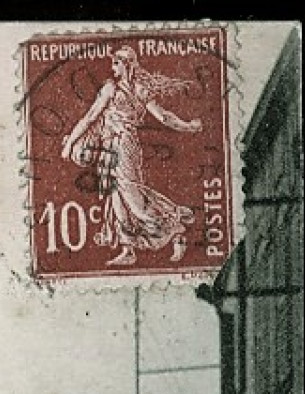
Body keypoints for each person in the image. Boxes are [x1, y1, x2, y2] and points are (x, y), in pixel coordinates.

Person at [60, 45, 204, 267]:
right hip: (108, 147)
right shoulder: (110, 88)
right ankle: (128, 249)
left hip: (125, 146)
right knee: (116, 199)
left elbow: (164, 117)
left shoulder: (139, 90)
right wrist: (71, 143)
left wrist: (188, 127)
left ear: (127, 64)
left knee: (134, 200)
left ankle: (175, 229)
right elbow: (90, 117)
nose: (112, 67)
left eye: (116, 63)